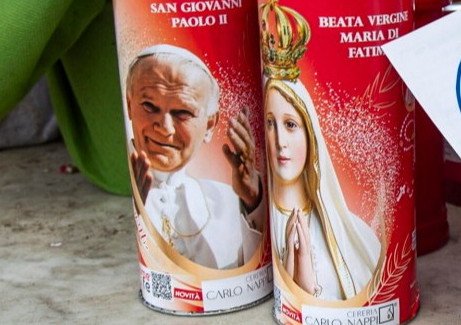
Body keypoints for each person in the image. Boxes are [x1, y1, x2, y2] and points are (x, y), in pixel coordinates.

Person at [124, 45, 265, 270]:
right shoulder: (111, 192)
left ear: (209, 124)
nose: (165, 128)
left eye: (183, 113)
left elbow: (248, 272)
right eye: (149, 106)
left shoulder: (228, 199)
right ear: (130, 106)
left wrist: (253, 201)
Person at [264, 78, 382, 303]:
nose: (280, 141)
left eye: (290, 125)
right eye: (270, 124)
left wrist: (308, 283)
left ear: (310, 135)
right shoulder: (257, 222)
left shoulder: (354, 235)